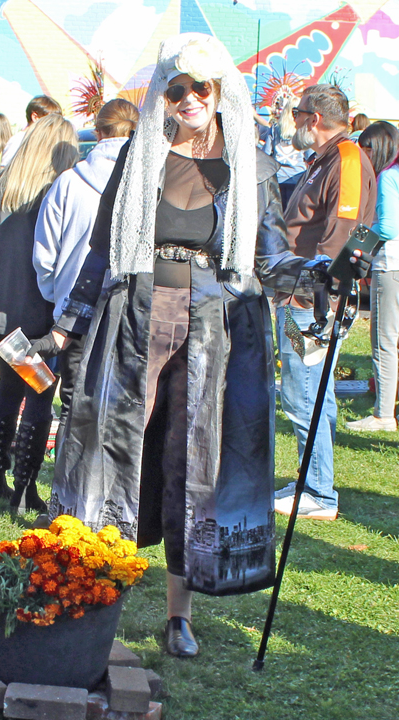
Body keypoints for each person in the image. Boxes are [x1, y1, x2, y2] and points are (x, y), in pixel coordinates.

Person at [29, 35, 368, 658]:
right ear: (164, 93)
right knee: (111, 452)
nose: (187, 99)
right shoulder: (141, 159)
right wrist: (65, 325)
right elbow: (103, 251)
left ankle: (177, 616)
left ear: (218, 94)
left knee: (194, 464)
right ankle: (97, 599)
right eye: (177, 88)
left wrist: (317, 273)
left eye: (199, 89)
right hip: (133, 319)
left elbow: (268, 258)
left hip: (211, 328)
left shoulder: (248, 168)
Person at [274, 85, 376, 522]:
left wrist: (322, 297)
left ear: (312, 118)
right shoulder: (329, 158)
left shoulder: (348, 159)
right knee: (313, 393)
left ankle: (317, 491)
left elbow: (349, 233)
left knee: (303, 394)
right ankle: (311, 481)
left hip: (312, 301)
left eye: (295, 114)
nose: (293, 122)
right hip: (305, 295)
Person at [0, 113, 79, 512]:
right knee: (39, 396)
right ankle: (25, 488)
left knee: (8, 391)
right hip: (40, 312)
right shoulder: (56, 190)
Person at [33, 98, 139, 438]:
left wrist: (56, 294)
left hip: (73, 311)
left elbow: (44, 253)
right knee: (123, 409)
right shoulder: (148, 183)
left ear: (97, 132)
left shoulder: (68, 182)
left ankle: (65, 490)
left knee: (73, 406)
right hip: (128, 310)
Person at [347, 122, 399, 431]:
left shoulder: (388, 177)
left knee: (384, 341)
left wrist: (358, 240)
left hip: (391, 265)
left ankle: (382, 414)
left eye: (365, 149)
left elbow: (389, 227)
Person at [262, 96, 306, 209]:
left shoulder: (275, 129)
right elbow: (310, 155)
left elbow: (265, 154)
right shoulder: (302, 130)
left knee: (278, 215)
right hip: (298, 177)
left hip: (277, 178)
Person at [0, 95, 62, 167]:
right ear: (35, 117)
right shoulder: (18, 141)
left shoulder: (51, 141)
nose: (56, 126)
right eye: (50, 122)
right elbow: (4, 170)